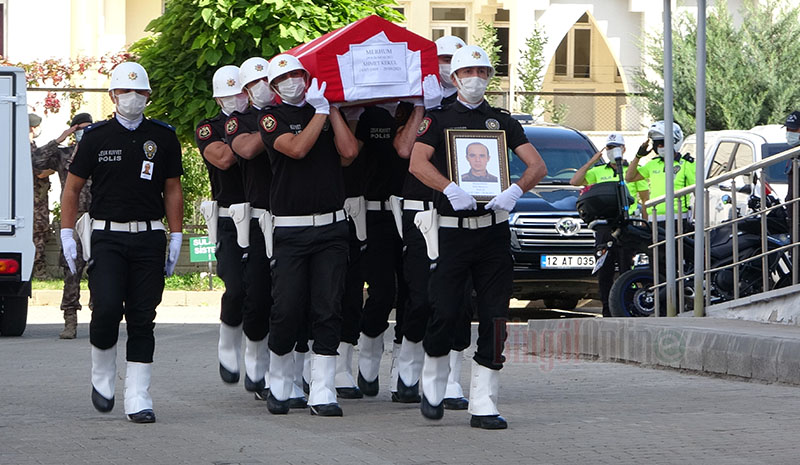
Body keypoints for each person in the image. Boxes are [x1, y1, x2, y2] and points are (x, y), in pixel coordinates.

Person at [409, 45, 547, 429]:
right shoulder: (438, 120)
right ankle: (434, 384)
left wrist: (516, 190)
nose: (475, 79)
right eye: (467, 72)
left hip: (493, 234)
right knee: (446, 311)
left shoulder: (501, 122)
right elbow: (417, 163)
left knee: (495, 317)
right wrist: (449, 187)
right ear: (453, 78)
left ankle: (484, 401)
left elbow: (537, 165)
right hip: (452, 233)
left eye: (482, 72)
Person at [60, 61, 184, 424]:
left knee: (143, 318)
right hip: (107, 236)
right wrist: (68, 233)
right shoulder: (96, 137)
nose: (132, 98)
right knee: (108, 309)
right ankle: (102, 375)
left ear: (148, 95)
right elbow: (72, 187)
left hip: (148, 236)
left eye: (139, 92)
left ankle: (138, 395)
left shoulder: (163, 136)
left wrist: (176, 234)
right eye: (125, 92)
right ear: (113, 95)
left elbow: (173, 188)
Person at [258, 54, 358, 416]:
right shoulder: (271, 117)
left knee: (328, 306)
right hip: (290, 229)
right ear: (273, 87)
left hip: (332, 226)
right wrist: (318, 113)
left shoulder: (326, 111)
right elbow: (296, 150)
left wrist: (330, 108)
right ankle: (280, 382)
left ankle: (323, 389)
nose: (294, 81)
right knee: (287, 308)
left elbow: (349, 153)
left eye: (298, 74)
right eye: (285, 77)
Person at [393, 69, 472, 411]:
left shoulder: (471, 112)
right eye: (439, 60)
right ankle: (408, 371)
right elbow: (404, 150)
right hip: (421, 211)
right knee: (422, 296)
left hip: (458, 213)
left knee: (457, 299)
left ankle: (448, 379)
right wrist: (424, 107)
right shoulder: (414, 107)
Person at [223, 57, 284, 404]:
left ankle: (288, 369)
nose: (263, 86)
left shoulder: (292, 111)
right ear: (246, 90)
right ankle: (256, 359)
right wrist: (274, 125)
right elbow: (244, 149)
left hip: (291, 215)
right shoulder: (239, 122)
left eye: (267, 79)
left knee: (290, 297)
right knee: (257, 294)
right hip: (259, 218)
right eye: (256, 82)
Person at [194, 65, 250, 388]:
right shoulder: (208, 128)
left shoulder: (260, 121)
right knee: (236, 287)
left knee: (266, 292)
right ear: (218, 100)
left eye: (240, 94)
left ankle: (261, 360)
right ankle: (228, 338)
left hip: (266, 214)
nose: (236, 101)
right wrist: (243, 135)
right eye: (229, 97)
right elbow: (225, 159)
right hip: (230, 217)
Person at [570, 133, 649, 317]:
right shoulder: (599, 171)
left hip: (627, 226)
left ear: (624, 149)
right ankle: (607, 309)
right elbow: (575, 181)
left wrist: (645, 225)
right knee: (604, 270)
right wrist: (592, 161)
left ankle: (627, 306)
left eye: (616, 148)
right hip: (604, 227)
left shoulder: (632, 172)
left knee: (625, 268)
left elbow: (645, 201)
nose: (613, 151)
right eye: (609, 148)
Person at [31, 112, 94, 338]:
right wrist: (59, 139)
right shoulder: (64, 155)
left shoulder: (101, 152)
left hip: (99, 218)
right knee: (71, 270)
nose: (84, 133)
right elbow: (36, 160)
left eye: (89, 128)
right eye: (80, 129)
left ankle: (99, 318)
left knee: (100, 269)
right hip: (73, 219)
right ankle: (70, 321)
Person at [626, 120, 695, 230]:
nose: (660, 147)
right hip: (654, 218)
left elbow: (698, 191)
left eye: (663, 143)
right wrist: (638, 156)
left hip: (678, 219)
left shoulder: (687, 163)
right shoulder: (653, 164)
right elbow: (629, 177)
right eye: (657, 144)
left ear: (674, 142)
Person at [29, 113, 53, 280]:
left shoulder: (33, 146)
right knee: (37, 234)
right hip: (34, 202)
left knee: (40, 233)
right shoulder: (26, 148)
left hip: (39, 200)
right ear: (32, 127)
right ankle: (38, 272)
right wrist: (55, 167)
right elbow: (40, 174)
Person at [434, 36, 466, 107]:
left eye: (458, 61)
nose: (453, 66)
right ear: (434, 61)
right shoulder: (421, 92)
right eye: (447, 60)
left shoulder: (470, 99)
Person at [783, 110, 800, 226]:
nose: (789, 133)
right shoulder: (794, 154)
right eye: (788, 129)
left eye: (793, 130)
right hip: (793, 220)